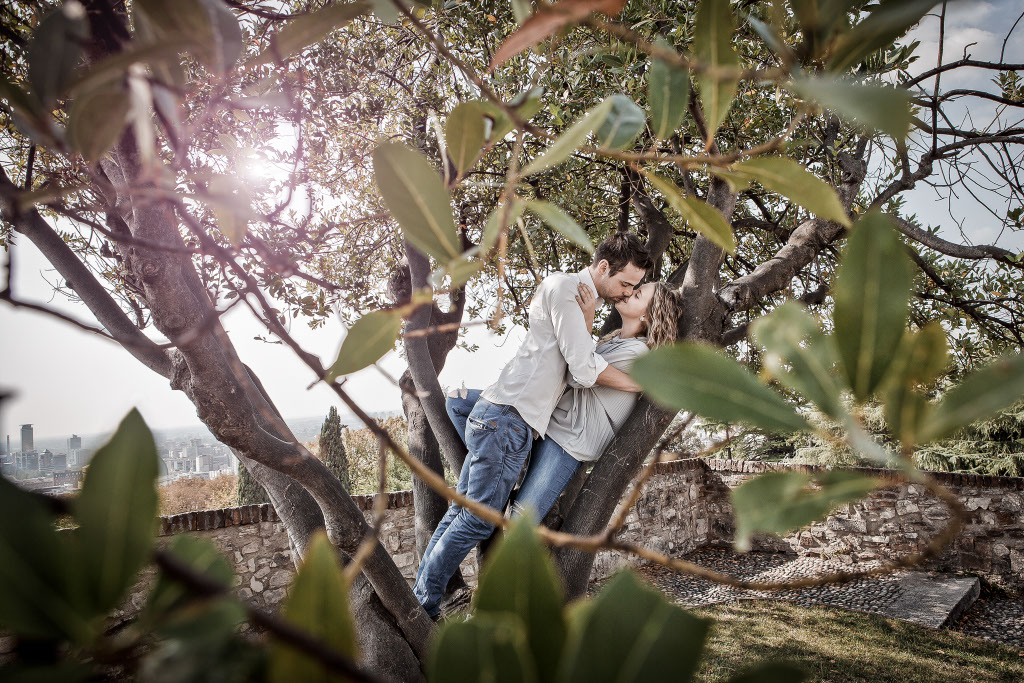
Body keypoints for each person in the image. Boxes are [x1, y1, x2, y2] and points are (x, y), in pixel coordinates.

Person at [412, 233, 653, 619]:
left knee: (463, 515)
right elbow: (584, 369)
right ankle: (423, 605)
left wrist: (589, 324)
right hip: (509, 420)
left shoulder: (569, 292)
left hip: (506, 417)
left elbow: (575, 363)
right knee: (476, 521)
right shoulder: (568, 291)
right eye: (625, 283)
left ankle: (420, 596)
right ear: (604, 267)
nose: (626, 292)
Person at [447, 280, 683, 530]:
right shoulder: (613, 341)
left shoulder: (637, 352)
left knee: (518, 522)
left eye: (637, 295)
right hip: (549, 418)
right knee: (457, 402)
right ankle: (498, 473)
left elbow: (578, 375)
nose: (627, 293)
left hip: (568, 441)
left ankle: (498, 479)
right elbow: (581, 364)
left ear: (647, 315)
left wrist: (588, 317)